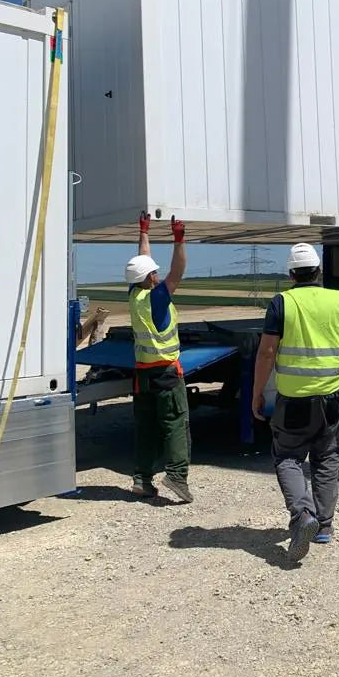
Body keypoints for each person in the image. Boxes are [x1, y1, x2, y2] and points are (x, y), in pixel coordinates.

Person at [252, 242, 339, 562]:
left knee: (287, 456)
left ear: (291, 274)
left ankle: (303, 516)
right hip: (330, 398)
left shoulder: (281, 303)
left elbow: (267, 352)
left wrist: (257, 391)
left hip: (293, 401)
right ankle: (324, 526)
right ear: (319, 271)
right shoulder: (338, 300)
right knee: (326, 457)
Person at [124, 212, 192, 503]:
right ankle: (177, 476)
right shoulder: (158, 298)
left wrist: (144, 231)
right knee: (175, 423)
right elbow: (177, 273)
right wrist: (179, 240)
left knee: (146, 426)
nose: (158, 274)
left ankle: (142, 479)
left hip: (142, 375)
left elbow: (141, 261)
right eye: (155, 272)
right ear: (151, 277)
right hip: (166, 373)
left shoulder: (134, 295)